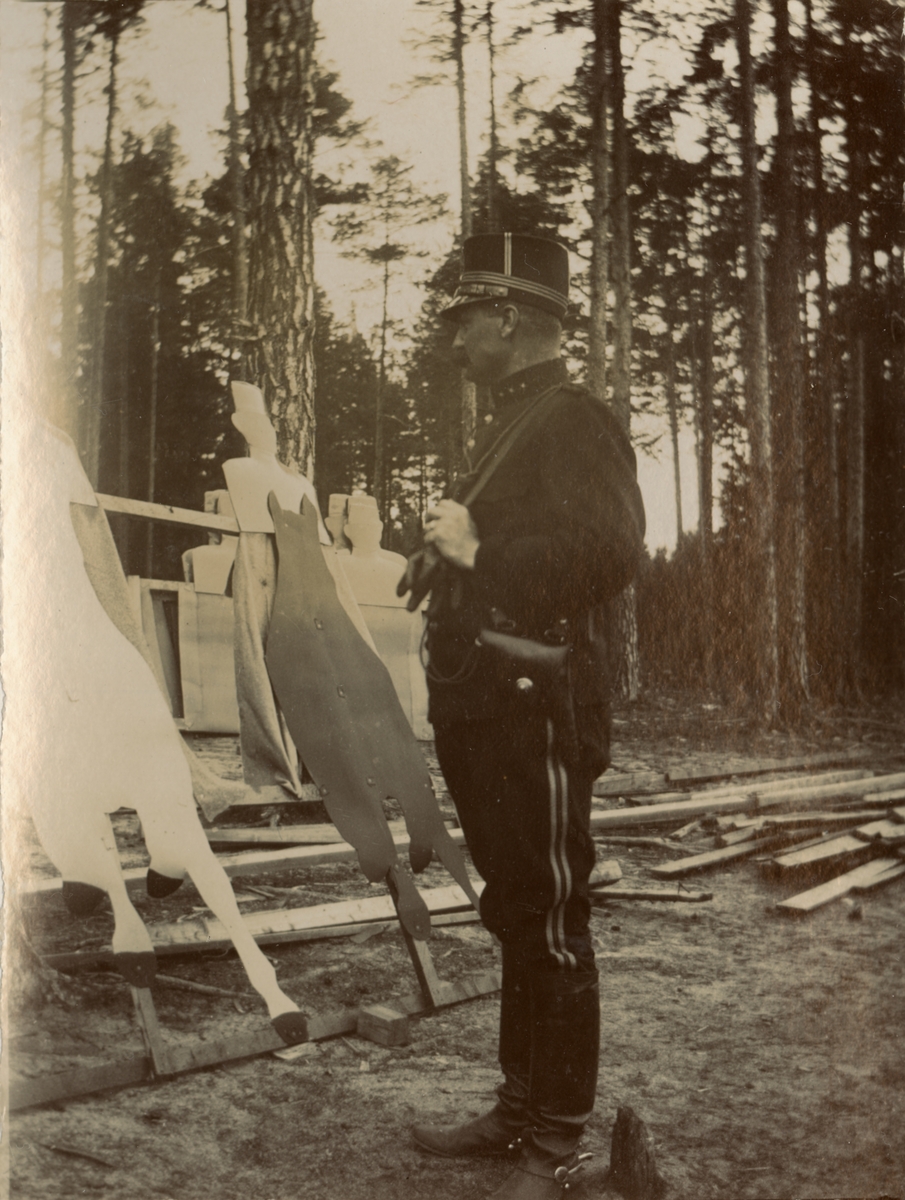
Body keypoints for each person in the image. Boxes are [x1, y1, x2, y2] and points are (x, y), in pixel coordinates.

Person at [400, 233, 646, 1200]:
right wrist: (449, 555)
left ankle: (557, 1144)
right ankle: (518, 1110)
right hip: (485, 705)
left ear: (508, 317)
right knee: (514, 910)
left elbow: (609, 554)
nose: (453, 339)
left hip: (537, 708)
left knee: (546, 916)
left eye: (464, 319)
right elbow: (514, 541)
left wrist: (478, 548)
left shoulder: (573, 417)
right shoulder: (514, 420)